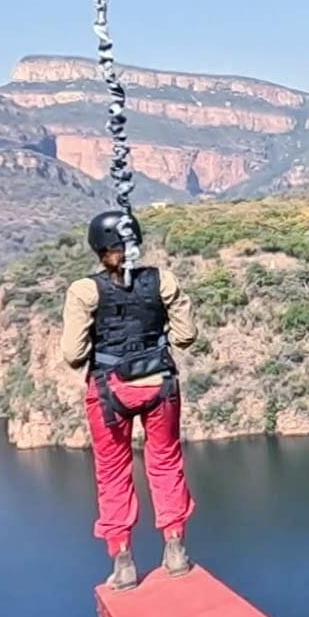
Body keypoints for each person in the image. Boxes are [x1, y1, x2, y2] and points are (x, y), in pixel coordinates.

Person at [59, 211, 198, 590]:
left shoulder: (85, 291)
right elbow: (186, 337)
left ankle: (123, 562)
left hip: (109, 390)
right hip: (160, 384)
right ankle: (175, 551)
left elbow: (73, 354)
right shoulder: (162, 281)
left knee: (112, 471)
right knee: (166, 462)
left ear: (98, 249)